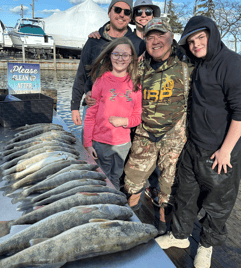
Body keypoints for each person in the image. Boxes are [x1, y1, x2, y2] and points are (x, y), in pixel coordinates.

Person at [155, 16, 241, 268]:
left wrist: (226, 151)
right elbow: (165, 50)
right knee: (185, 195)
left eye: (201, 38)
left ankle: (206, 245)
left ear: (212, 35)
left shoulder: (232, 64)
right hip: (193, 146)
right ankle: (179, 236)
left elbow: (240, 113)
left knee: (217, 205)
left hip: (221, 152)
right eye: (191, 41)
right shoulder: (196, 60)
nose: (195, 45)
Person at [122, 17, 193, 235]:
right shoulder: (138, 66)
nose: (156, 41)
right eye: (151, 37)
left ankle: (163, 230)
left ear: (171, 38)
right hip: (145, 134)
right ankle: (131, 227)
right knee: (132, 182)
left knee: (168, 189)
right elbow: (118, 87)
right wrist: (92, 95)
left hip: (175, 136)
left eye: (161, 36)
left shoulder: (186, 66)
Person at [71, 0, 145, 144]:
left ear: (130, 18)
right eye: (117, 10)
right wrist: (75, 107)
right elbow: (82, 74)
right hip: (94, 106)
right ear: (109, 12)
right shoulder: (94, 40)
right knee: (90, 155)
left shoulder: (138, 44)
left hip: (123, 112)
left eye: (127, 12)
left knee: (117, 156)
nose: (122, 15)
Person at [83, 37, 142, 190]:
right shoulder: (101, 80)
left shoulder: (136, 84)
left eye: (125, 55)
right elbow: (90, 115)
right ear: (110, 56)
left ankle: (113, 204)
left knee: (115, 177)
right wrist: (87, 143)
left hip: (123, 145)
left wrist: (123, 121)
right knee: (100, 178)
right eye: (116, 54)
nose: (120, 58)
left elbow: (138, 116)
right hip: (100, 143)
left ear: (131, 59)